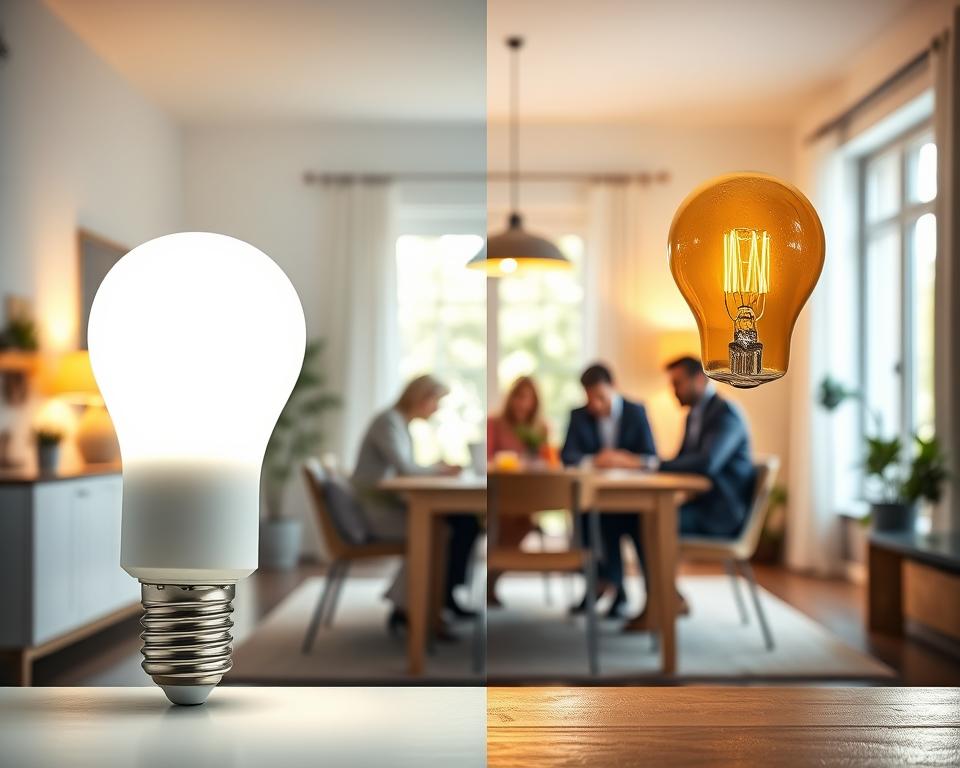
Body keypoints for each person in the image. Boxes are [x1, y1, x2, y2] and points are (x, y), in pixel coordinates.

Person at [624, 356, 756, 631]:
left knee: (652, 521)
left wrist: (649, 464)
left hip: (721, 515)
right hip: (702, 506)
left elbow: (707, 463)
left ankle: (660, 603)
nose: (673, 391)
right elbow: (683, 463)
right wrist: (649, 466)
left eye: (678, 383)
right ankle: (666, 598)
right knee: (642, 517)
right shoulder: (694, 416)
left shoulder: (726, 415)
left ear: (700, 379)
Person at [352, 375, 480, 636]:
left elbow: (405, 468)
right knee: (438, 530)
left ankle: (439, 598)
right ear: (421, 398)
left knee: (464, 520)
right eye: (436, 401)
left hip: (388, 505)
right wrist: (441, 470)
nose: (437, 408)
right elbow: (405, 468)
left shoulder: (399, 423)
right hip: (375, 512)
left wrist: (437, 469)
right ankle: (415, 608)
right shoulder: (388, 422)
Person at [561, 363, 657, 617]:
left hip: (632, 500)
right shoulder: (579, 416)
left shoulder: (636, 412)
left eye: (601, 397)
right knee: (587, 518)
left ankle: (642, 595)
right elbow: (568, 456)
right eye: (590, 398)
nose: (595, 405)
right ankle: (610, 586)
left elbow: (651, 457)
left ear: (614, 387)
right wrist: (596, 460)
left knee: (627, 523)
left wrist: (627, 460)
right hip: (595, 500)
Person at [486, 376, 549, 606]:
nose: (522, 403)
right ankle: (491, 577)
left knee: (523, 520)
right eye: (518, 397)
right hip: (499, 493)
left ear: (535, 402)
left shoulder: (540, 428)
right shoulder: (495, 424)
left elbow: (547, 461)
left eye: (528, 398)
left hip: (528, 495)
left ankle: (492, 575)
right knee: (507, 520)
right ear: (511, 398)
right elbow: (487, 459)